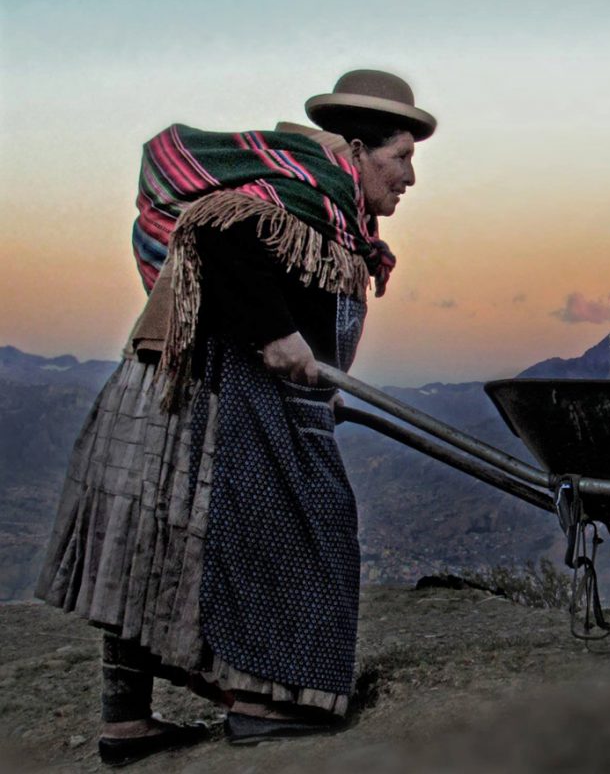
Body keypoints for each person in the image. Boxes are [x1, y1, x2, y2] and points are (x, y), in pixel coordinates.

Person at [34, 69, 435, 766]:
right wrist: (276, 335)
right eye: (400, 157)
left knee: (154, 541)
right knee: (298, 528)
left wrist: (312, 372)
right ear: (354, 149)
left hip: (193, 391)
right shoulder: (299, 191)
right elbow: (216, 237)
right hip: (196, 396)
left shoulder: (332, 211)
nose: (408, 177)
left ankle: (129, 724)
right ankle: (260, 703)